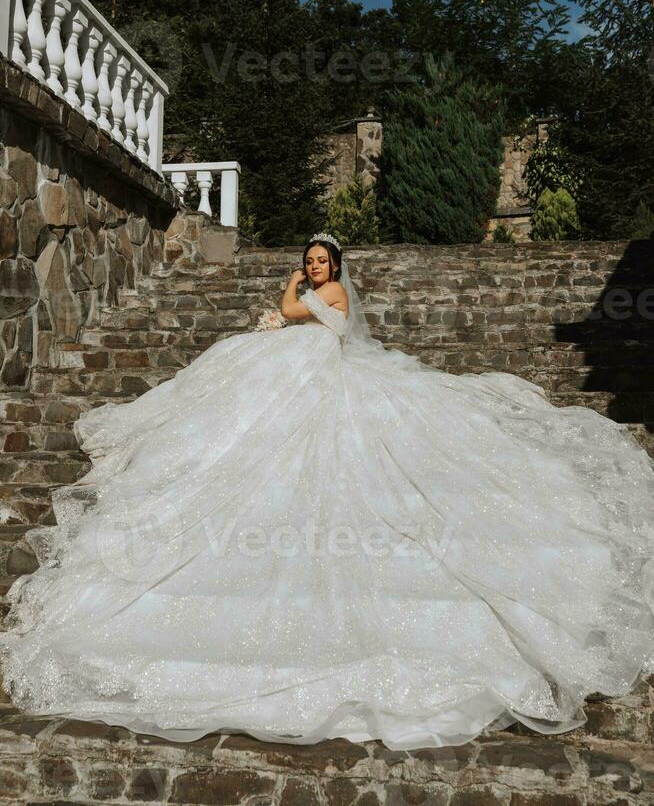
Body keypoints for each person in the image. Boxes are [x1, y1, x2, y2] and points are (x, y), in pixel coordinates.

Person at [0, 232, 653, 751]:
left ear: (333, 266)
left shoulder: (333, 293)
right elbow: (288, 322)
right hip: (298, 375)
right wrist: (280, 320)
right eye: (308, 261)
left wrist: (288, 296)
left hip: (327, 380)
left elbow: (298, 316)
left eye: (320, 261)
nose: (314, 268)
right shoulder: (320, 290)